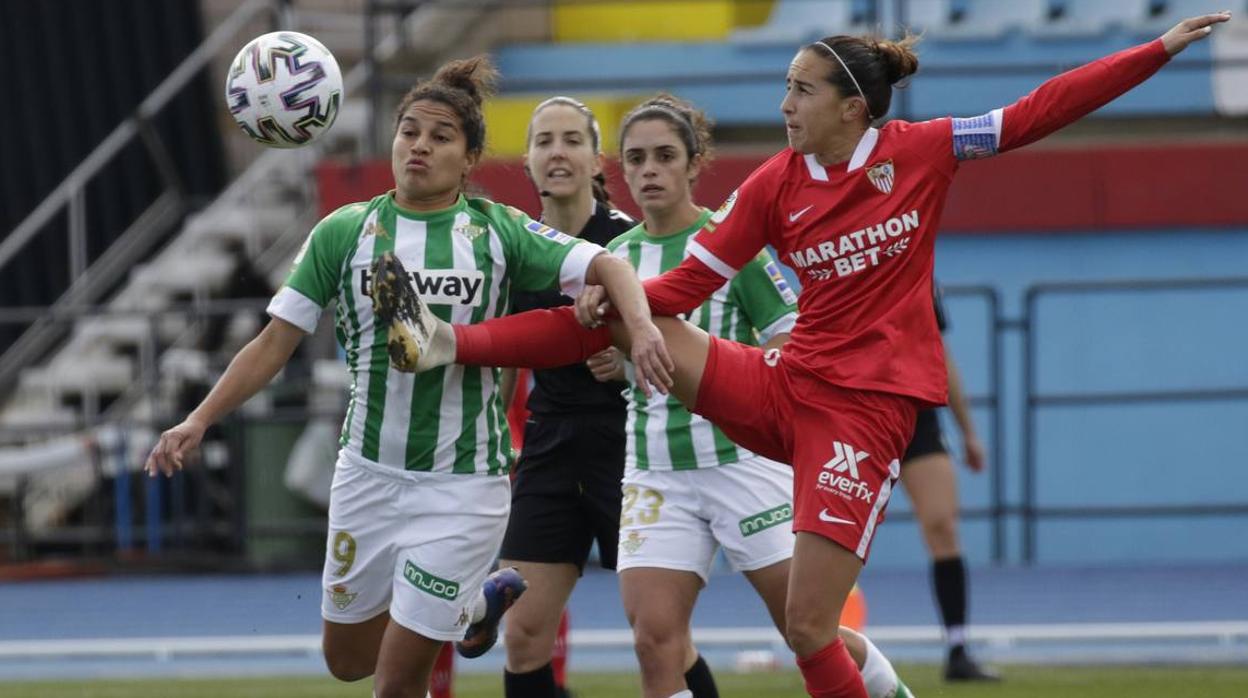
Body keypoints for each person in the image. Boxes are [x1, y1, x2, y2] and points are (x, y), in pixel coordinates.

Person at [374, 14, 1230, 697]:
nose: (785, 104)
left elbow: (1036, 111)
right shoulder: (774, 185)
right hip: (786, 387)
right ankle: (447, 342)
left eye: (800, 89)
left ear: (852, 107)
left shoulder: (921, 152)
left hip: (867, 412)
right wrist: (620, 311)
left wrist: (1154, 50)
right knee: (631, 314)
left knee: (811, 628)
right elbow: (675, 293)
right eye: (784, 87)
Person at [143, 55, 662, 698]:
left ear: (470, 159)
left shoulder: (497, 232)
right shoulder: (344, 231)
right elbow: (275, 341)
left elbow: (611, 266)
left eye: (441, 136)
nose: (419, 146)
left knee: (396, 683)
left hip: (462, 487)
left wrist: (640, 330)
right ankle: (471, 609)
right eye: (409, 131)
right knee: (347, 660)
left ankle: (449, 604)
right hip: (366, 473)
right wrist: (199, 418)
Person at [587, 93, 913, 698]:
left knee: (812, 632)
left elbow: (794, 343)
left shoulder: (732, 241)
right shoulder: (614, 261)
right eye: (636, 159)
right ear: (622, 171)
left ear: (694, 163)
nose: (649, 170)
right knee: (653, 639)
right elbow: (620, 352)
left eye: (664, 156)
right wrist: (621, 362)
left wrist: (717, 368)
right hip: (658, 469)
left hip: (745, 464)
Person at [491, 96, 638, 698]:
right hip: (550, 444)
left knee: (658, 633)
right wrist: (498, 441)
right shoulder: (514, 249)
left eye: (572, 140)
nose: (558, 152)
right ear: (526, 161)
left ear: (595, 158)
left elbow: (685, 343)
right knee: (523, 636)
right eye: (544, 141)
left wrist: (627, 364)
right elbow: (504, 358)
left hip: (628, 446)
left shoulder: (631, 242)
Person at [898, 284, 995, 682]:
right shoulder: (836, 255)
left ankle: (958, 649)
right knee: (831, 530)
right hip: (854, 407)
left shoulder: (918, 272)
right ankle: (819, 647)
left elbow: (940, 352)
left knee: (943, 525)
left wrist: (968, 430)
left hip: (916, 415)